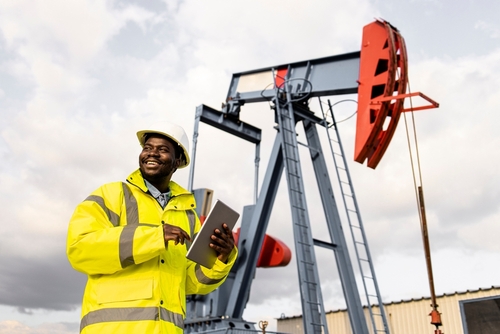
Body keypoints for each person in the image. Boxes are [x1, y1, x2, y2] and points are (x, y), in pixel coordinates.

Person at [66, 122, 237, 334]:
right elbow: (79, 249)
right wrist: (155, 237)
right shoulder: (111, 195)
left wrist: (222, 258)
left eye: (163, 149)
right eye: (147, 148)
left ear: (178, 161)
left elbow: (191, 283)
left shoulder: (189, 216)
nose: (152, 153)